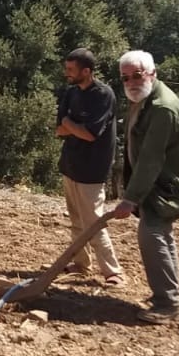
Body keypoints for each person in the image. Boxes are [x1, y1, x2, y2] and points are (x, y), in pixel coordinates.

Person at [111, 50, 179, 324]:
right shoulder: (144, 99)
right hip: (157, 183)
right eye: (125, 78)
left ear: (152, 73)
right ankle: (167, 296)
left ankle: (169, 306)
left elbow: (150, 159)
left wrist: (130, 198)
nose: (131, 82)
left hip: (166, 186)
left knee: (152, 235)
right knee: (160, 236)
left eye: (137, 75)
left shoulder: (162, 108)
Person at [55, 48, 123, 287]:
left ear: (87, 71)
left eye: (71, 70)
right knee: (75, 220)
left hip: (92, 170)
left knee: (94, 222)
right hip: (70, 165)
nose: (67, 74)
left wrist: (70, 125)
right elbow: (59, 128)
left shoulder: (103, 95)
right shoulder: (71, 92)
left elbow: (90, 134)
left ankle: (112, 272)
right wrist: (73, 127)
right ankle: (82, 264)